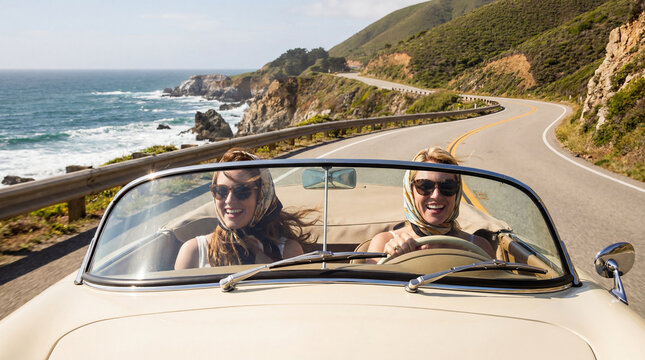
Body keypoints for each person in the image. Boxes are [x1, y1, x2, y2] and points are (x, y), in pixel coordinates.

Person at [175, 148, 316, 269]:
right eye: (221, 191)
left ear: (261, 196)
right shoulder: (193, 252)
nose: (229, 200)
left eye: (242, 191)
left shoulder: (288, 252)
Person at [367, 146, 495, 263]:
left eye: (448, 186)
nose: (436, 195)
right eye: (424, 185)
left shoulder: (478, 247)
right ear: (410, 191)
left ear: (457, 193)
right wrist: (391, 260)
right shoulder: (383, 243)